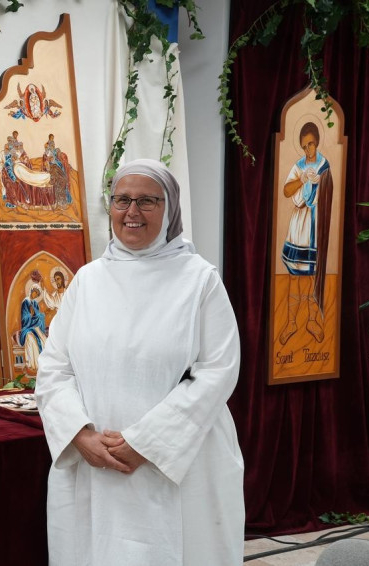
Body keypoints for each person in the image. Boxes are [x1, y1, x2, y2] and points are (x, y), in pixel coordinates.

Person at [35, 159, 244, 565]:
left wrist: (147, 442)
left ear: (170, 209)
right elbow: (55, 368)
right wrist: (79, 434)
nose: (132, 212)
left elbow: (218, 372)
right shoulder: (87, 281)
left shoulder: (199, 281)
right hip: (94, 465)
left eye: (147, 201)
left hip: (180, 466)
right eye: (122, 200)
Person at [278, 121, 332, 344]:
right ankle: (291, 322)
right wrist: (302, 180)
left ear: (317, 142)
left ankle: (312, 320)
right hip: (299, 226)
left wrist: (321, 183)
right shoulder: (299, 166)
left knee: (312, 276)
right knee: (294, 276)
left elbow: (329, 194)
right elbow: (286, 190)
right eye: (304, 146)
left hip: (316, 226)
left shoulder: (324, 166)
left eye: (310, 144)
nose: (308, 149)